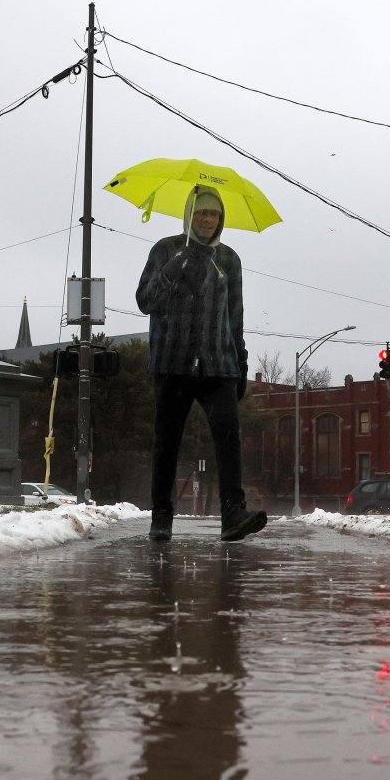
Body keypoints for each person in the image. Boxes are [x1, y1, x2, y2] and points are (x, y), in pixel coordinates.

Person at [135, 186, 268, 542]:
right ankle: (161, 517)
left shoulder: (229, 259)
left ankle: (232, 514)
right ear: (189, 214)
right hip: (172, 364)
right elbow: (145, 300)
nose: (208, 219)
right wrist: (177, 265)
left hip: (218, 365)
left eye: (214, 214)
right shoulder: (165, 250)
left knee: (228, 438)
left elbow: (235, 316)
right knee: (167, 443)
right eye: (201, 212)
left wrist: (240, 362)